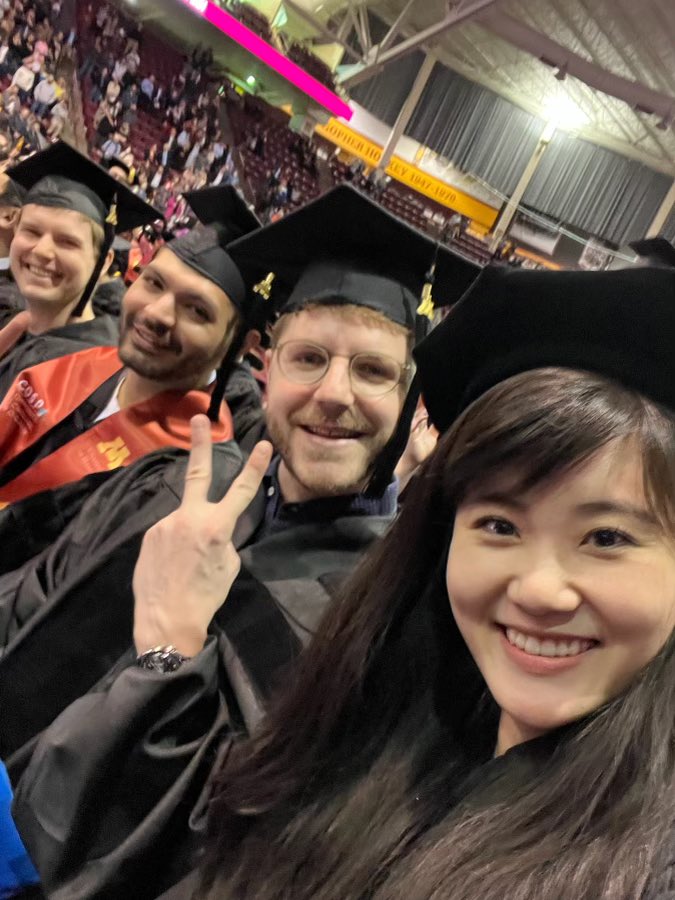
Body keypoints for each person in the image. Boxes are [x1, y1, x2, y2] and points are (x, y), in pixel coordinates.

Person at [5, 187, 480, 899]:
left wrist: (169, 650)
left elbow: (242, 853)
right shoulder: (177, 485)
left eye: (374, 371)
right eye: (309, 358)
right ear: (268, 365)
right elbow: (29, 599)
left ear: (413, 402)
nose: (334, 393)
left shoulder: (387, 623)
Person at [0, 185, 262, 507]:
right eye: (154, 283)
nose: (156, 313)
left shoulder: (182, 479)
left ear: (240, 347)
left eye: (197, 310)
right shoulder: (62, 363)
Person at [0, 141, 159, 399]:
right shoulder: (23, 329)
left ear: (104, 261)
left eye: (67, 241)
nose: (42, 250)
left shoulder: (97, 374)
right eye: (32, 231)